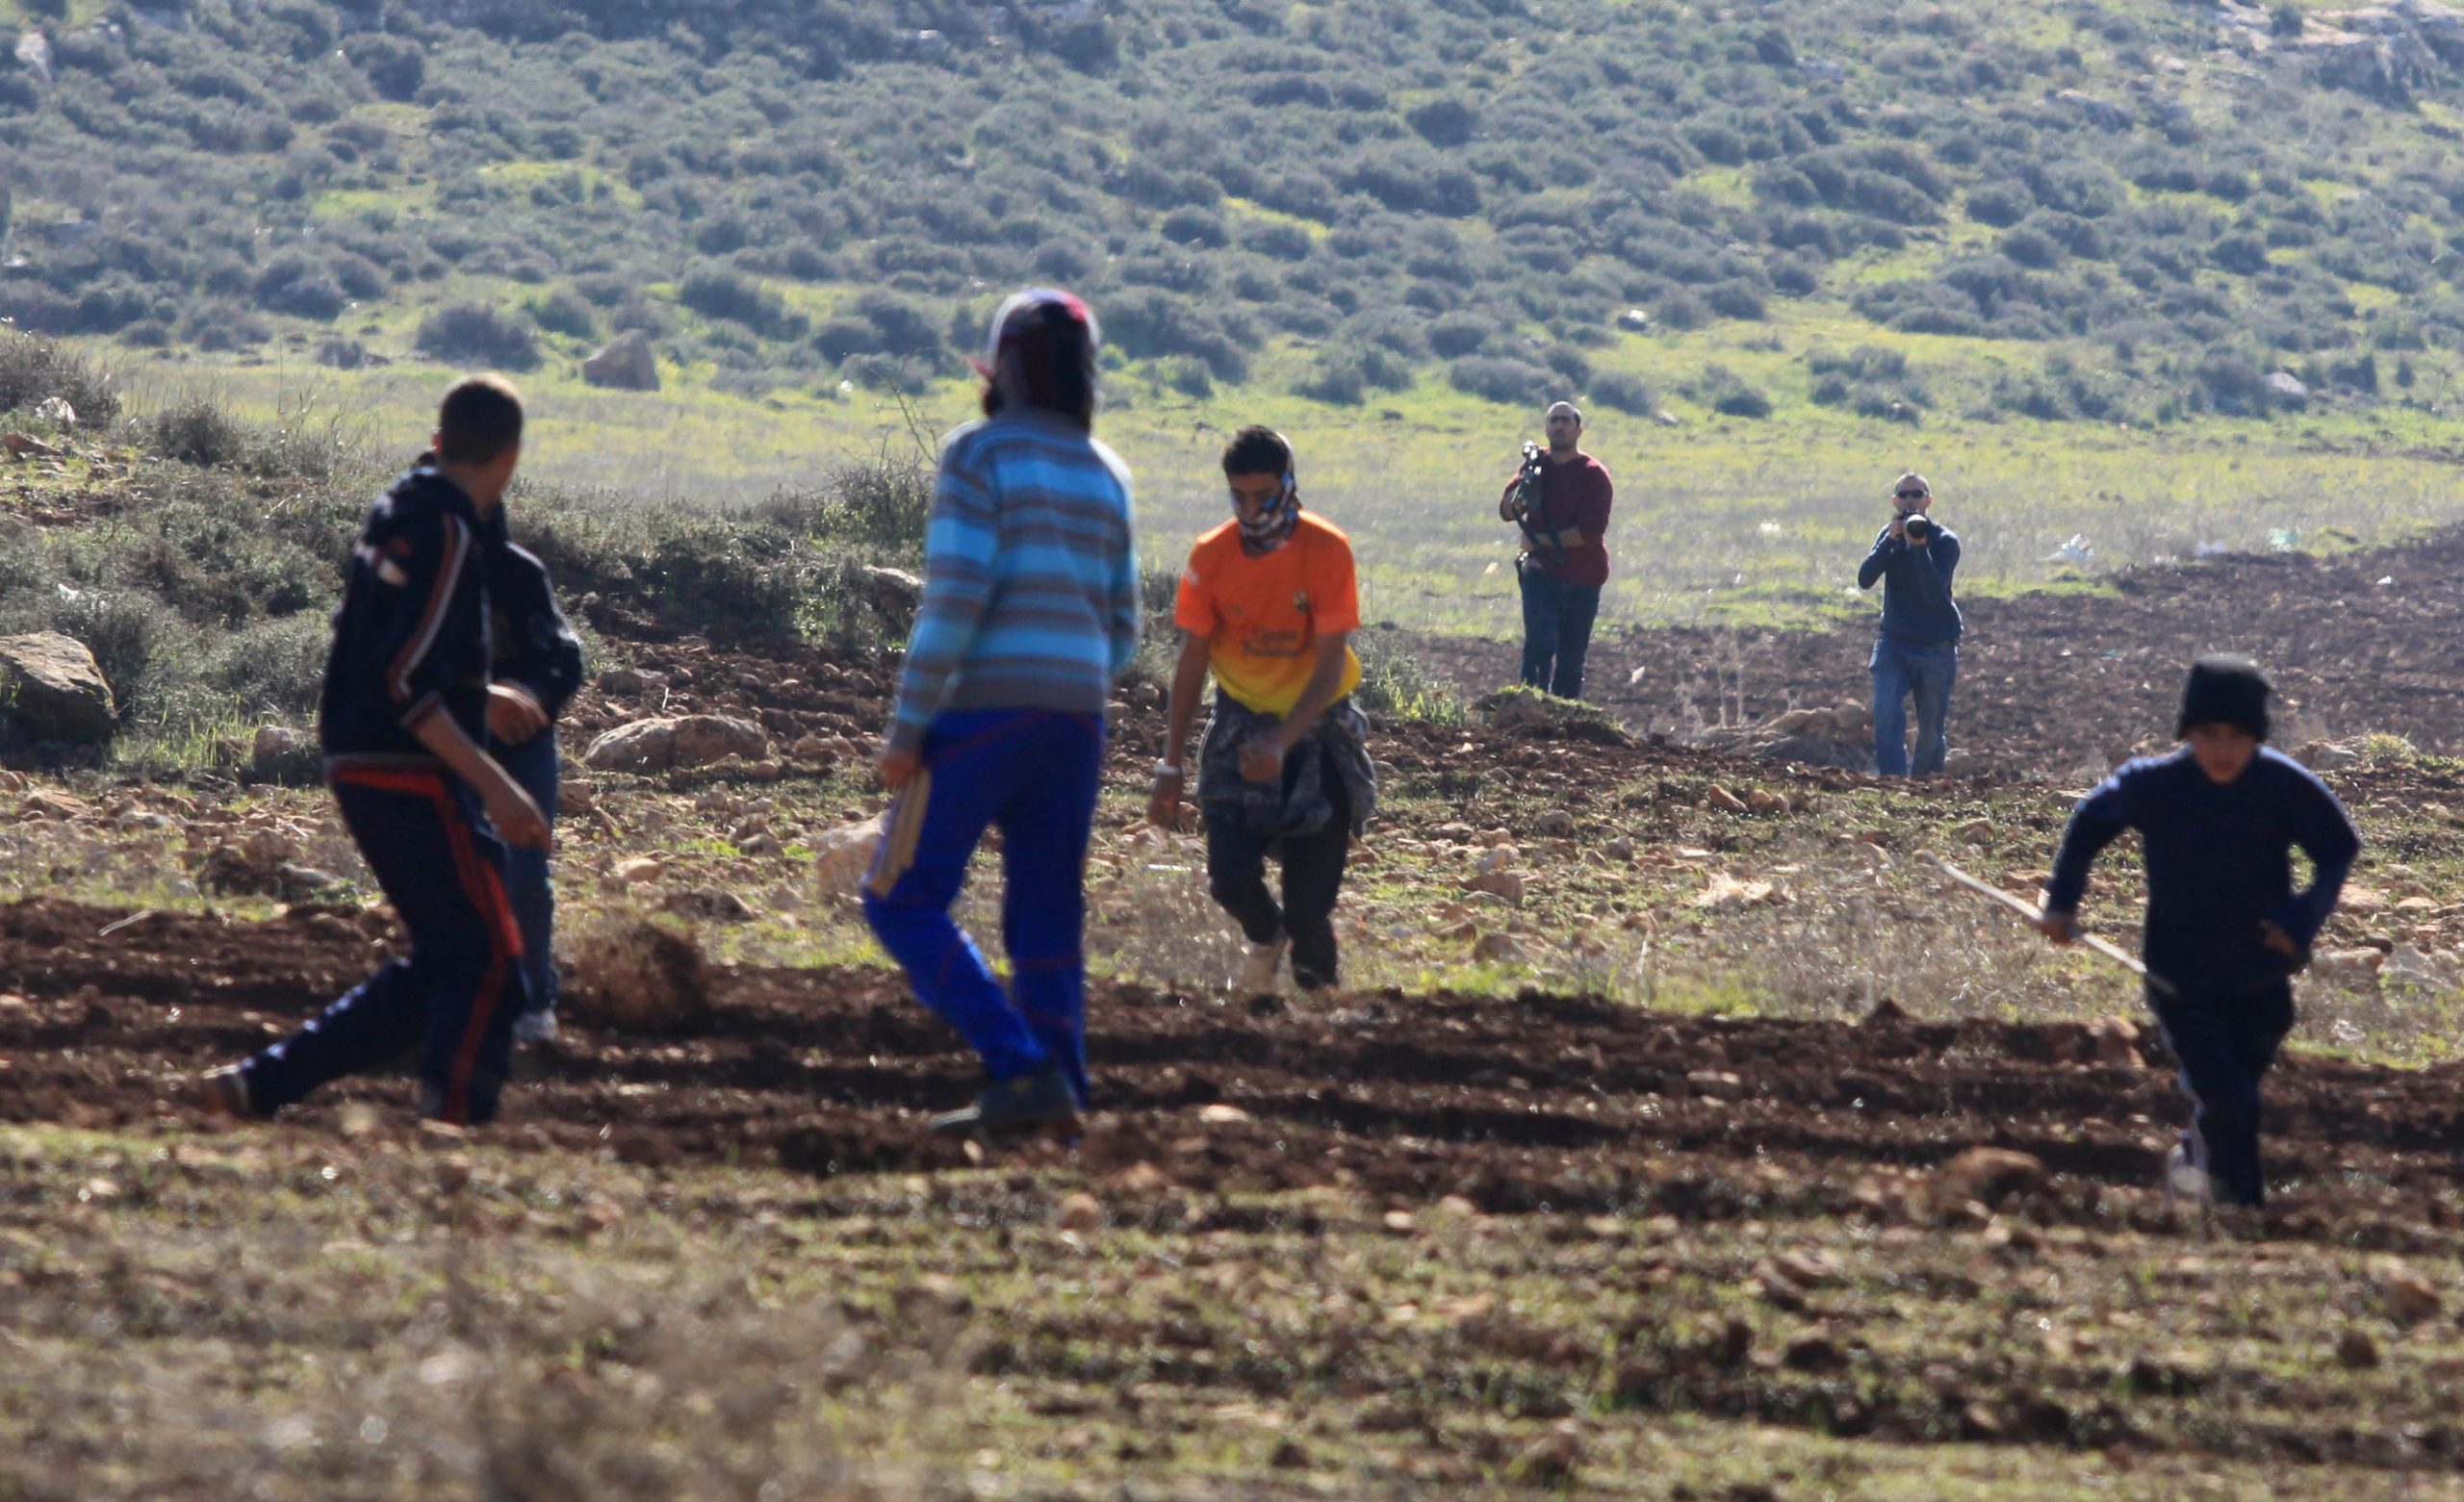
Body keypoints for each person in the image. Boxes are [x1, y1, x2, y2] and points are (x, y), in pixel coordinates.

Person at [195, 376, 549, 1127]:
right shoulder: (449, 532)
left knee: (446, 959)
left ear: (437, 439)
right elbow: (404, 678)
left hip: (360, 756)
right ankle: (449, 1125)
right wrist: (495, 785)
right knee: (492, 963)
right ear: (510, 456)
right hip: (410, 767)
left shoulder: (399, 508)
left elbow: (387, 647)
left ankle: (261, 1085)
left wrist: (475, 694)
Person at [863, 288, 1140, 1137]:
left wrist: (909, 727)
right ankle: (1066, 1097)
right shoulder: (1108, 472)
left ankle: (1017, 1065)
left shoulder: (977, 455)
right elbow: (1125, 628)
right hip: (1077, 720)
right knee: (1047, 912)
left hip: (986, 713)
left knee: (899, 898)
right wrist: (1070, 675)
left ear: (1002, 367)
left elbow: (954, 599)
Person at [2038, 655, 2359, 1211]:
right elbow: (2091, 820)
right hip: (2179, 977)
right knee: (2233, 1100)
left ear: (2256, 738)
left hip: (2261, 975)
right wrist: (2062, 902)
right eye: (2208, 734)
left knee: (2235, 1098)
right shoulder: (2156, 785)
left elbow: (2338, 847)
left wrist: (2302, 919)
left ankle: (2192, 1164)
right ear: (2187, 732)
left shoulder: (2280, 785)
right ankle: (2243, 1211)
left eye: (2237, 736)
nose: (2222, 749)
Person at [1148, 426, 1376, 1004]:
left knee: (1309, 910)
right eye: (1240, 498)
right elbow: (1192, 663)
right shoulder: (1211, 556)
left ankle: (1319, 1017)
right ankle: (1263, 937)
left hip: (1317, 735)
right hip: (1238, 727)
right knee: (1229, 878)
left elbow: (1328, 668)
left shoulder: (1327, 550)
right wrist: (1170, 767)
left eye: (1265, 497)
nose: (1253, 511)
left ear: (1290, 487)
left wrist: (1282, 743)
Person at [482, 504, 584, 1045]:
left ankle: (535, 996)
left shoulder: (519, 574)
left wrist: (533, 699)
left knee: (524, 870)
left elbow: (564, 658)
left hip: (523, 743)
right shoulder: (415, 574)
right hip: (444, 743)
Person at [1497, 400, 1612, 700]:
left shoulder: (1593, 474)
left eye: (1565, 421)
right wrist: (1523, 489)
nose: (1559, 426)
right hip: (1540, 572)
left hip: (1583, 577)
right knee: (1539, 645)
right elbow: (1507, 511)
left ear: (1579, 430)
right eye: (1553, 420)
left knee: (1571, 659)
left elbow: (1588, 533)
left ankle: (1564, 721)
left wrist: (1538, 541)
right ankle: (1530, 711)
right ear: (1546, 427)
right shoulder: (1534, 466)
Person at [1856, 471, 1963, 777]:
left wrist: (1918, 546)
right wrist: (1889, 542)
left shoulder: (1944, 541)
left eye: (1917, 494)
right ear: (1894, 501)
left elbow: (1934, 591)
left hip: (1935, 647)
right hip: (1894, 643)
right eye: (1903, 495)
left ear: (1929, 500)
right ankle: (1892, 782)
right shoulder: (1888, 536)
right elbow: (1865, 579)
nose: (1910, 501)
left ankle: (1924, 789)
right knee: (1886, 711)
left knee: (1930, 730)